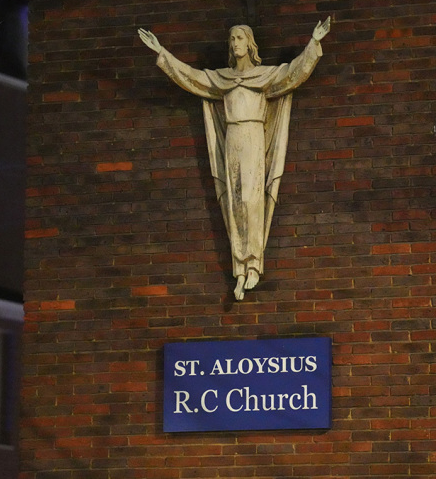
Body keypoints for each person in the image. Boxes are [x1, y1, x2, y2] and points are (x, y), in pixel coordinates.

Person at [138, 17, 331, 300]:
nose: (235, 43)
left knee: (252, 201)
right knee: (235, 201)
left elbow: (293, 73)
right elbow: (192, 77)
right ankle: (239, 268)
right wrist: (162, 53)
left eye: (239, 38)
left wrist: (314, 42)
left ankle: (253, 263)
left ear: (250, 43)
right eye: (232, 40)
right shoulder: (222, 79)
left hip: (254, 137)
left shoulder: (264, 76)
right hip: (233, 140)